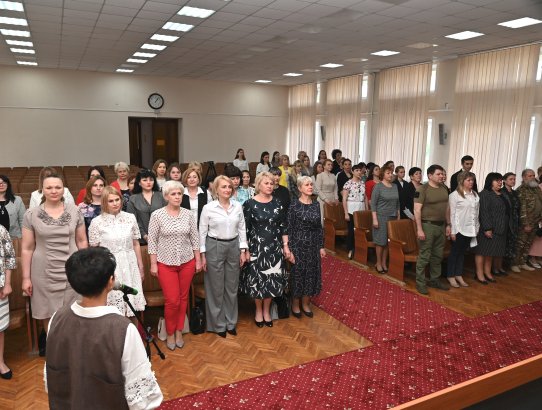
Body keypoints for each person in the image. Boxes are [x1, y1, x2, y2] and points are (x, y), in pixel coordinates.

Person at [45, 247, 162, 409]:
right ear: (110, 282)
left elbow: (51, 377)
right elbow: (143, 400)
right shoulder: (123, 330)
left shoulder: (56, 319)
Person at [22, 173, 88, 335]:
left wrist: (86, 268)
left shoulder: (75, 211)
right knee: (48, 314)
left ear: (63, 189)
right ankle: (54, 354)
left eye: (58, 187)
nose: (54, 191)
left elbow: (82, 241)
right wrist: (26, 278)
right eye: (49, 187)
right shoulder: (31, 214)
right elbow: (27, 248)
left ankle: (73, 354)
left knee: (75, 312)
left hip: (72, 270)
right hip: (43, 271)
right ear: (42, 190)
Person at [148, 181, 201, 350]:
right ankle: (170, 332)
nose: (177, 197)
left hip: (187, 261)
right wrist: (153, 264)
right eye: (173, 194)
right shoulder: (157, 215)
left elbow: (195, 239)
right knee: (172, 301)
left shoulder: (188, 215)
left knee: (183, 298)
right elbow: (152, 242)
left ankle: (179, 330)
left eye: (179, 193)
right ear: (166, 196)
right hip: (165, 263)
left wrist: (198, 260)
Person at [239, 172, 292, 327]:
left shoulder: (278, 203)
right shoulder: (249, 204)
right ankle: (258, 311)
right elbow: (245, 229)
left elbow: (283, 227)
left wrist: (286, 247)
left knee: (272, 280)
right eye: (266, 183)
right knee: (258, 280)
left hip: (275, 248)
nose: (269, 186)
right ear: (258, 185)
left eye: (271, 183)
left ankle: (267, 311)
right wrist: (245, 250)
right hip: (256, 248)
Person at [199, 176, 248, 337]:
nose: (227, 189)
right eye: (223, 187)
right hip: (214, 245)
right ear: (216, 190)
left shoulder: (237, 206)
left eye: (229, 187)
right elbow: (202, 232)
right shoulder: (208, 208)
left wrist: (242, 250)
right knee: (215, 288)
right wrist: (203, 255)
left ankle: (230, 322)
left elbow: (242, 229)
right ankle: (218, 325)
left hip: (233, 245)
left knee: (232, 287)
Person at [89, 187, 146, 320]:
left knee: (132, 306)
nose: (115, 203)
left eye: (117, 199)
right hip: (110, 267)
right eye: (110, 201)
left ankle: (133, 338)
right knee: (114, 308)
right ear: (104, 203)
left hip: (130, 264)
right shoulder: (96, 222)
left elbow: (136, 244)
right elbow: (94, 251)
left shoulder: (130, 218)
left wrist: (141, 266)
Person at [288, 176, 324, 318]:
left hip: (313, 245)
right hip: (297, 244)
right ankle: (295, 304)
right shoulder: (294, 205)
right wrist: (289, 249)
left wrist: (321, 246)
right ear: (299, 188)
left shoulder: (316, 205)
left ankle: (305, 303)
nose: (310, 187)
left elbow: (319, 228)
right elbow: (289, 228)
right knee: (298, 274)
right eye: (307, 185)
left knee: (311, 274)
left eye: (311, 184)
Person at [414, 165, 451, 295]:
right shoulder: (422, 189)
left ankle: (435, 280)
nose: (442, 176)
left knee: (437, 255)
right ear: (430, 175)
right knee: (424, 255)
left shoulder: (444, 188)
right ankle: (420, 282)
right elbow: (417, 210)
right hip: (427, 225)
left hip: (441, 225)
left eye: (442, 174)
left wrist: (448, 224)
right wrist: (419, 229)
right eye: (439, 174)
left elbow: (446, 208)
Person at [474, 173, 508, 284]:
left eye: (500, 180)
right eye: (497, 180)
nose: (500, 182)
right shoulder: (484, 194)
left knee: (490, 252)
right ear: (490, 181)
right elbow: (484, 212)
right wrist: (487, 228)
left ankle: (487, 273)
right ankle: (479, 274)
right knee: (482, 251)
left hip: (500, 228)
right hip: (487, 228)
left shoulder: (501, 194)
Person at [447, 172, 479, 287]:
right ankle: (450, 275)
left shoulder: (475, 194)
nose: (471, 182)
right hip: (459, 229)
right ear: (462, 181)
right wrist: (453, 231)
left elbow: (476, 213)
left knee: (462, 253)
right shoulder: (454, 195)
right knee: (455, 253)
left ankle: (458, 274)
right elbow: (452, 214)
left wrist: (476, 227)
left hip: (470, 229)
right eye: (468, 180)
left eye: (472, 180)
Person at [510, 169, 542, 272]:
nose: (532, 177)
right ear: (524, 177)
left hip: (535, 222)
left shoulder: (536, 189)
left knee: (528, 244)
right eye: (529, 176)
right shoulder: (521, 190)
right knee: (520, 244)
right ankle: (514, 263)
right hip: (525, 223)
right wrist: (525, 224)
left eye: (533, 175)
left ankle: (522, 262)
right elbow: (522, 209)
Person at [371, 165, 399, 273]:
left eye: (391, 173)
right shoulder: (378, 187)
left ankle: (383, 262)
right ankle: (378, 263)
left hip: (392, 217)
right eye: (388, 173)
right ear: (382, 174)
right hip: (381, 217)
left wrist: (398, 216)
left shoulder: (395, 186)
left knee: (388, 242)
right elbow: (373, 204)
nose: (390, 175)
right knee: (380, 242)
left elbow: (397, 203)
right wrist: (374, 219)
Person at [127, 169, 166, 245]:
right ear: (139, 183)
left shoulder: (161, 196)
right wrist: (144, 235)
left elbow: (166, 217)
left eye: (151, 180)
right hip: (141, 240)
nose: (148, 182)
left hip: (162, 239)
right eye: (145, 180)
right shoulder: (133, 199)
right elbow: (132, 220)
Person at [0, 225, 15, 380]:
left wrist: (8, 283)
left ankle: (0, 362)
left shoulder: (1, 230)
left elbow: (10, 257)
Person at [342, 164, 366, 259]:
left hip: (361, 208)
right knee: (352, 230)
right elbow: (344, 199)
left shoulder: (362, 183)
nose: (359, 172)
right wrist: (345, 213)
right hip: (351, 209)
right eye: (356, 170)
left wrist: (367, 210)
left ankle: (359, 249)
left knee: (360, 231)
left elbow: (365, 197)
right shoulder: (348, 183)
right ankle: (350, 249)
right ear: (352, 172)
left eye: (360, 170)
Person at [500, 172, 520, 273]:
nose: (513, 181)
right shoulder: (501, 192)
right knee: (504, 242)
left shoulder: (515, 192)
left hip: (514, 221)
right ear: (504, 180)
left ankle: (508, 263)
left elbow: (518, 208)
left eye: (514, 179)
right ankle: (500, 265)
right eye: (511, 179)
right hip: (505, 221)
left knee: (512, 242)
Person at [0, 175, 26, 239]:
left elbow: (23, 221)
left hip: (14, 239)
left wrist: (24, 237)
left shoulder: (17, 200)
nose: (1, 185)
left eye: (4, 182)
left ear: (8, 185)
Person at [316, 159, 338, 225]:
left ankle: (331, 234)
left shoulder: (333, 176)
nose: (330, 166)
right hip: (322, 199)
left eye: (331, 165)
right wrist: (325, 199)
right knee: (323, 218)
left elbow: (335, 188)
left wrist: (336, 198)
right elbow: (318, 189)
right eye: (328, 164)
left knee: (331, 218)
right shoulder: (320, 175)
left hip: (332, 198)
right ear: (324, 166)